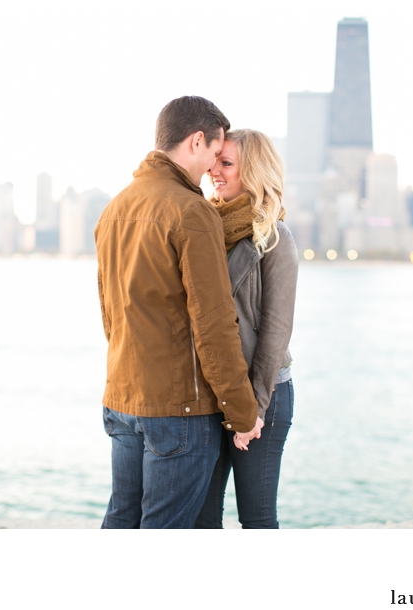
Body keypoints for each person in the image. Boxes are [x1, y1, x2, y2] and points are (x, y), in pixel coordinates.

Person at [94, 96, 263, 529]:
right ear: (196, 140)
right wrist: (243, 413)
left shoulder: (113, 210)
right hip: (177, 414)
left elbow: (110, 314)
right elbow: (214, 325)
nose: (211, 166)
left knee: (121, 521)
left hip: (121, 401)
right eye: (213, 152)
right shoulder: (192, 212)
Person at [195, 129, 299, 529]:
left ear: (252, 171)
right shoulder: (204, 228)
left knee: (256, 518)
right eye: (214, 161)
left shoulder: (275, 237)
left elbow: (276, 330)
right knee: (203, 518)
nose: (213, 171)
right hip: (213, 392)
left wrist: (252, 409)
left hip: (264, 396)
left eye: (226, 163)